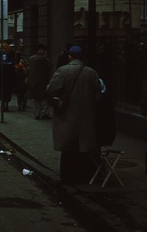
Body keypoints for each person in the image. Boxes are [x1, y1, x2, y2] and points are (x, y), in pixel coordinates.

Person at [46, 45, 102, 184]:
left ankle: (68, 176)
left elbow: (51, 90)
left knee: (68, 147)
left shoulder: (63, 70)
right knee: (83, 147)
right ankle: (84, 176)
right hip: (86, 117)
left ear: (70, 56)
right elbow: (98, 95)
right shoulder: (91, 72)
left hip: (67, 115)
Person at [28, 44, 52, 119]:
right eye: (43, 50)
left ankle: (37, 114)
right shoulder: (43, 59)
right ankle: (45, 113)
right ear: (40, 50)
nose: (44, 52)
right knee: (45, 99)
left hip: (33, 82)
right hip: (42, 82)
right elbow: (48, 69)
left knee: (36, 100)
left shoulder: (31, 58)